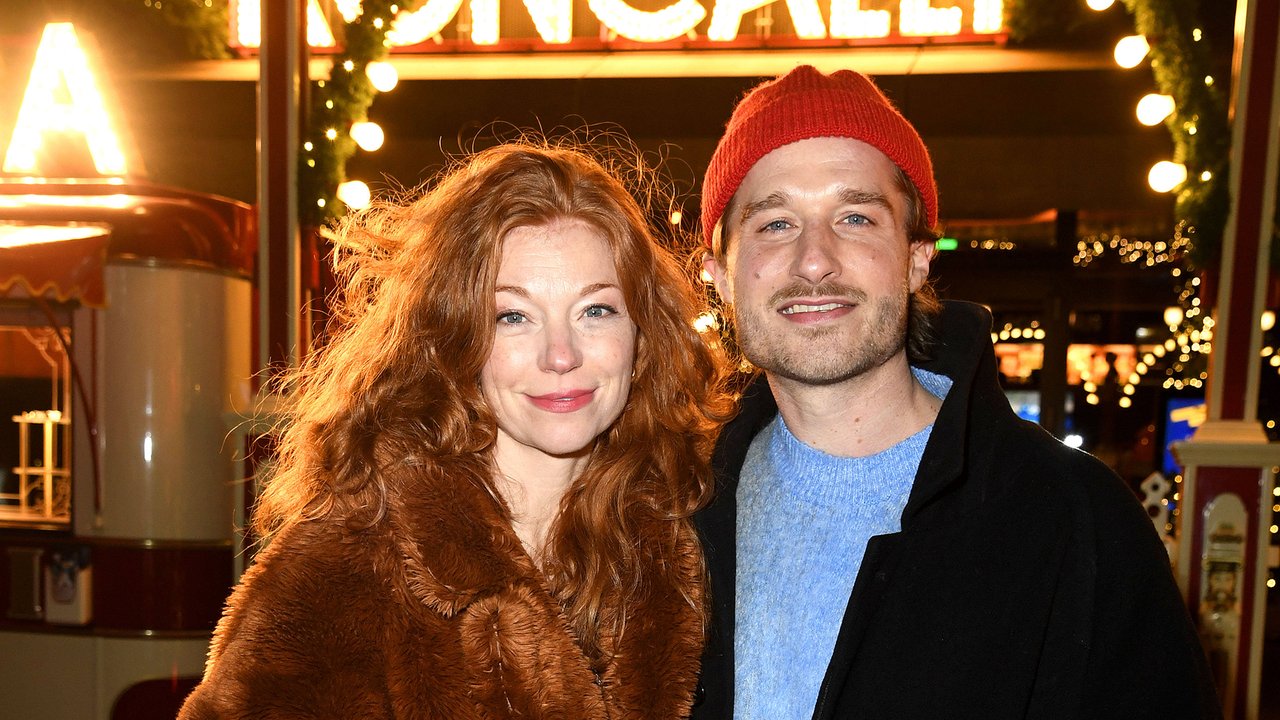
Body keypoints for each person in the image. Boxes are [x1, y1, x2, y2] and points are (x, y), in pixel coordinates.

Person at [692, 65, 1220, 719]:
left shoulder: (1072, 518)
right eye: (775, 224)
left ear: (917, 258)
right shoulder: (667, 510)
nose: (814, 260)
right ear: (719, 273)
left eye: (855, 217)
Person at [179, 141, 731, 719]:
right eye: (512, 317)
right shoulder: (354, 555)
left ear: (643, 335)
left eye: (596, 310)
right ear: (452, 340)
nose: (561, 355)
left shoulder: (691, 531)